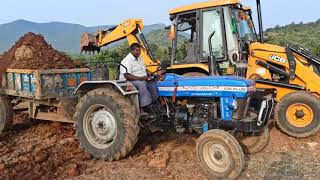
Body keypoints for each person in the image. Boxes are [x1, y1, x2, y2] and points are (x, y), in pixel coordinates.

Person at [119, 43, 159, 114]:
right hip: (129, 80)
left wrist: (151, 73)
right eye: (137, 50)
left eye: (139, 50)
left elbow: (144, 69)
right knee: (141, 85)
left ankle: (154, 102)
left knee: (154, 82)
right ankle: (142, 108)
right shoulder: (127, 61)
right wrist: (141, 78)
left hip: (142, 78)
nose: (139, 52)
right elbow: (127, 76)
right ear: (132, 50)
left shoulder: (140, 58)